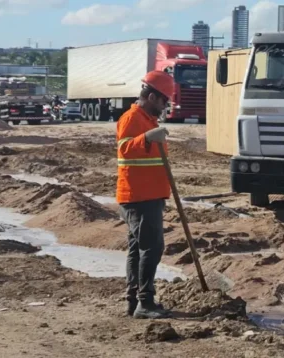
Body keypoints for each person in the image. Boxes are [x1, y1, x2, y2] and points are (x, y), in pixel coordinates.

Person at [116, 70, 174, 319]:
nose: (165, 107)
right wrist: (147, 138)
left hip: (148, 195)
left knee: (137, 249)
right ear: (151, 96)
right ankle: (145, 302)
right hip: (139, 197)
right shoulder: (132, 118)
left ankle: (134, 301)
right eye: (164, 102)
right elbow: (125, 149)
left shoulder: (148, 121)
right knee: (152, 248)